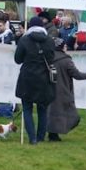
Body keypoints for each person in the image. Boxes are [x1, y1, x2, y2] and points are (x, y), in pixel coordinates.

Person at [15, 15, 57, 145]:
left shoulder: (24, 40)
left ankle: (32, 138)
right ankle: (40, 137)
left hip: (27, 77)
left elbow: (17, 59)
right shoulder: (49, 40)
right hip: (44, 78)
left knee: (27, 109)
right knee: (42, 109)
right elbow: (51, 58)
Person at [46, 36, 86, 142]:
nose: (66, 47)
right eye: (65, 45)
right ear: (61, 47)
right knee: (73, 115)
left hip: (49, 89)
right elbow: (77, 75)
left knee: (52, 112)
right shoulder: (66, 60)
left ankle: (52, 134)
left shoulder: (48, 58)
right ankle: (54, 134)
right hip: (63, 91)